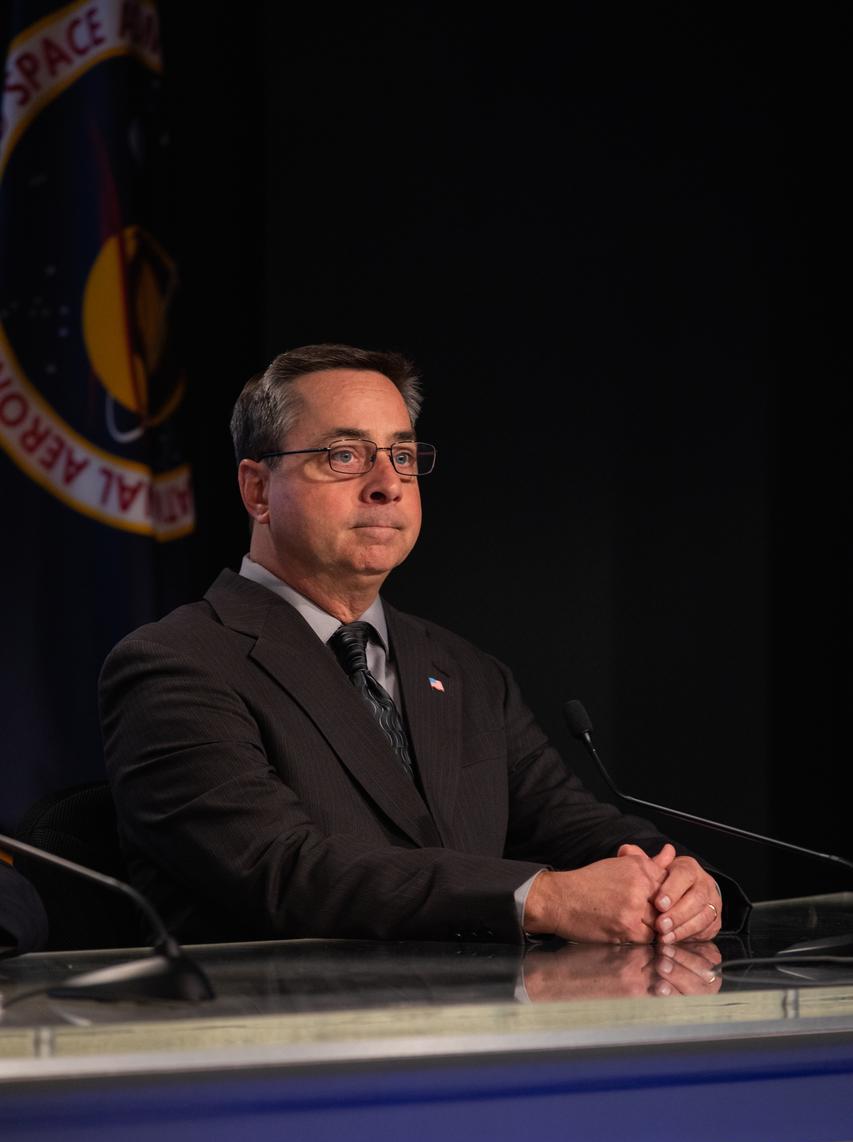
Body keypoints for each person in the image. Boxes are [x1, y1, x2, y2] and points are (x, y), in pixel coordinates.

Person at [99, 343, 749, 946]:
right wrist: (537, 897)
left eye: (402, 455)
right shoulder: (176, 665)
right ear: (257, 489)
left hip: (481, 1038)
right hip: (283, 1047)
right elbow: (280, 869)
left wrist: (678, 880)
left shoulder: (464, 670)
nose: (387, 484)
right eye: (344, 456)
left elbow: (567, 821)